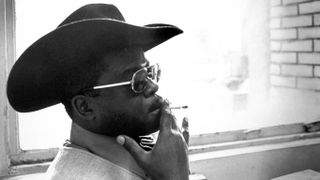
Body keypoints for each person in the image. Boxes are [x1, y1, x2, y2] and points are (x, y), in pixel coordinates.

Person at [7, 3, 189, 180]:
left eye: (150, 72)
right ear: (85, 107)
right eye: (137, 80)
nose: (153, 86)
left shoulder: (139, 156)